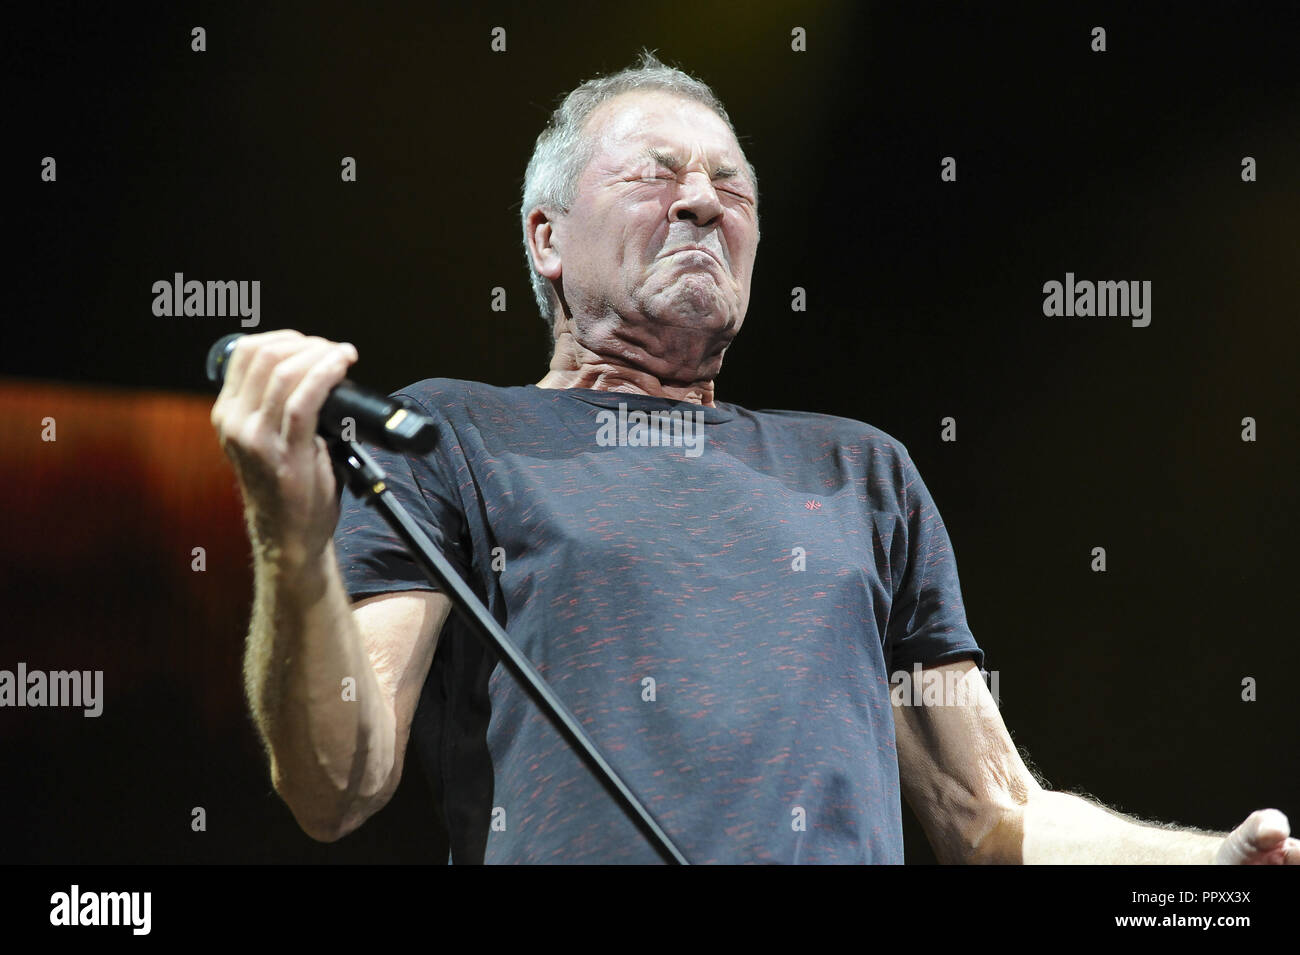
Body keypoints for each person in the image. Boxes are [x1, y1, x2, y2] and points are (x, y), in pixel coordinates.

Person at [211, 52, 1297, 864]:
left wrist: (1198, 866)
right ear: (545, 236)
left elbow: (991, 810)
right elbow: (335, 784)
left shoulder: (859, 471)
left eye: (732, 188)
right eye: (655, 174)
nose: (700, 202)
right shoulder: (449, 436)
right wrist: (287, 537)